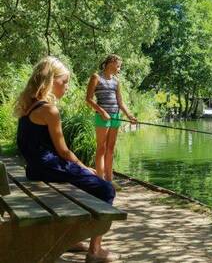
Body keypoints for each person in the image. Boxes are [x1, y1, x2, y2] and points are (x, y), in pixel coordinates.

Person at [15, 56, 118, 262]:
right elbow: (63, 152)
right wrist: (83, 167)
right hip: (50, 167)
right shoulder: (49, 110)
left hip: (35, 169)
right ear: (50, 81)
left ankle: (71, 239)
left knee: (79, 186)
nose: (67, 87)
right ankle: (95, 251)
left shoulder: (29, 107)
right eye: (64, 81)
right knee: (106, 189)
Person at [86, 54, 137, 183]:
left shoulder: (116, 81)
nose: (119, 68)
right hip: (102, 117)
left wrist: (129, 115)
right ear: (111, 63)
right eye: (118, 65)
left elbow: (120, 101)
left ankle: (109, 180)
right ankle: (100, 180)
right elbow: (88, 99)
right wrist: (102, 111)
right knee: (101, 148)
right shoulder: (96, 77)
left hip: (115, 116)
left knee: (110, 148)